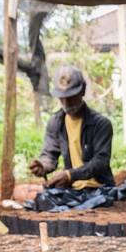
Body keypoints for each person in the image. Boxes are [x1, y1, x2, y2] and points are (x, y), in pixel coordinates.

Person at [28, 64, 114, 210]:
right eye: (62, 99)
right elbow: (49, 155)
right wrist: (43, 166)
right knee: (41, 202)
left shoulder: (101, 124)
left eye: (71, 97)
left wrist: (69, 175)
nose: (67, 103)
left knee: (91, 207)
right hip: (71, 189)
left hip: (98, 189)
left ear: (83, 91)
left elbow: (100, 163)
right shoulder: (56, 122)